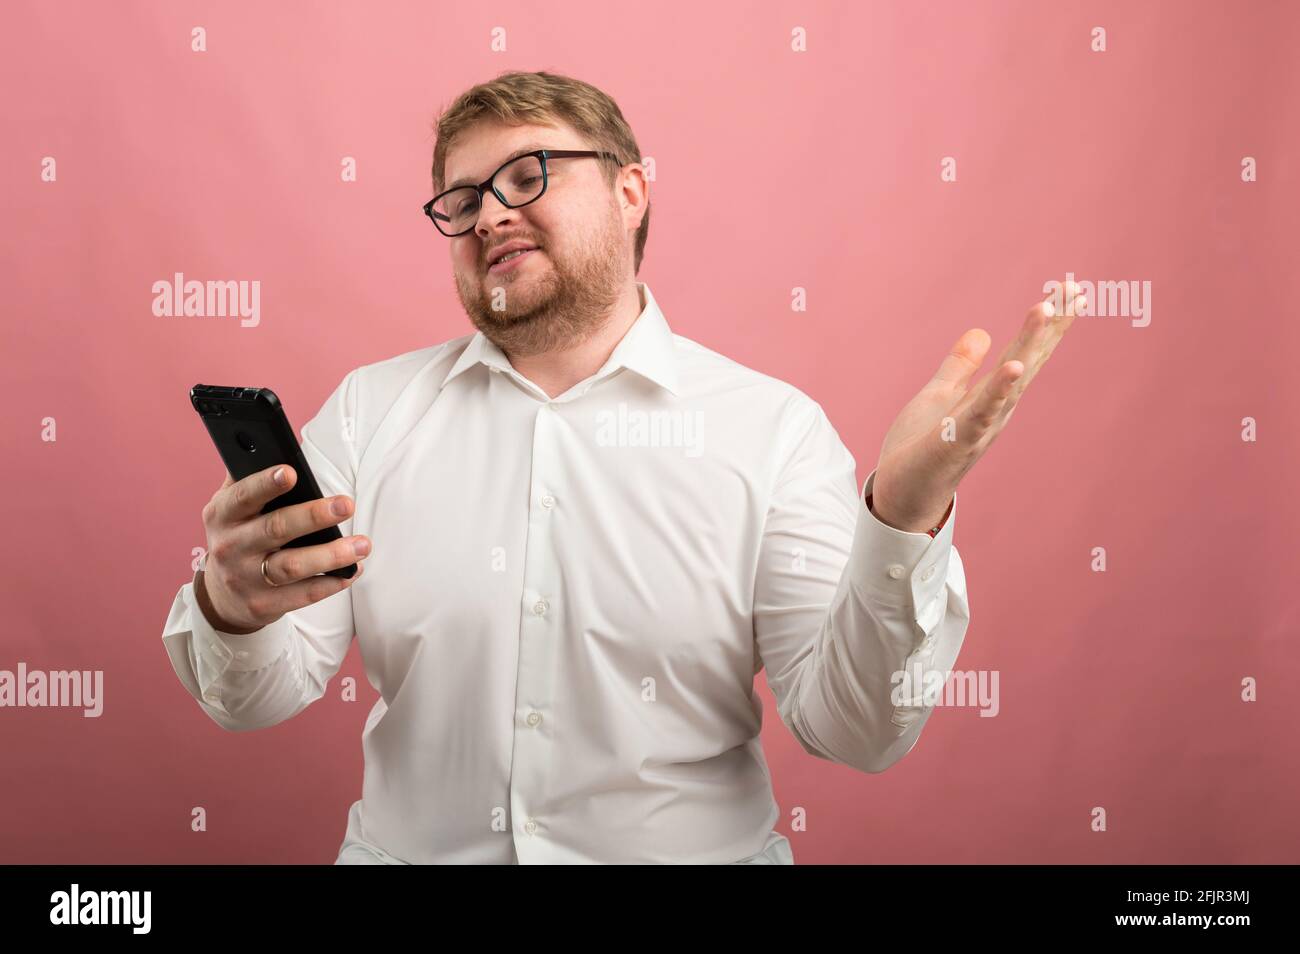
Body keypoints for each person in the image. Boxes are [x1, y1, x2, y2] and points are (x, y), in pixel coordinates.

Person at [160, 70, 1080, 864]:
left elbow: (857, 730)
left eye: (530, 175)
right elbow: (260, 698)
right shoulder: (368, 413)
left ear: (632, 190)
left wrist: (901, 522)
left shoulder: (772, 430)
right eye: (464, 199)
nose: (492, 215)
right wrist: (230, 610)